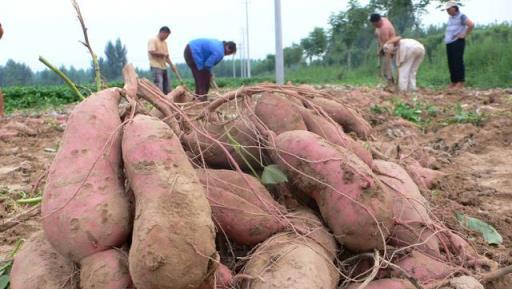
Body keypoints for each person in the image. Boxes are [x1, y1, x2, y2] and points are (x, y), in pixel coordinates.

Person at [445, 1, 474, 90]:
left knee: (458, 61)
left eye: (448, 9)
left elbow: (471, 24)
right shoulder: (451, 17)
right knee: (451, 62)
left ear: (454, 8)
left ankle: (460, 82)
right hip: (449, 42)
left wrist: (464, 34)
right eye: (446, 10)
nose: (447, 11)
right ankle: (454, 82)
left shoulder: (461, 16)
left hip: (457, 41)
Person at [370, 13, 396, 86]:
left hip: (390, 46)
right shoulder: (383, 19)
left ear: (378, 21)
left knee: (387, 66)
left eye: (375, 25)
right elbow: (378, 31)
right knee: (386, 66)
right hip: (386, 44)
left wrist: (379, 51)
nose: (374, 26)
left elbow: (385, 43)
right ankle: (389, 81)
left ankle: (391, 81)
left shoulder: (384, 29)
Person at [148, 26, 177, 94]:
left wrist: (172, 66)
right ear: (162, 33)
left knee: (167, 87)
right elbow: (151, 51)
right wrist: (163, 54)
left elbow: (166, 56)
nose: (166, 37)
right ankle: (159, 102)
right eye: (166, 35)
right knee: (159, 86)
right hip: (155, 66)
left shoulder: (164, 42)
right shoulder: (153, 40)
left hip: (164, 66)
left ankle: (167, 101)